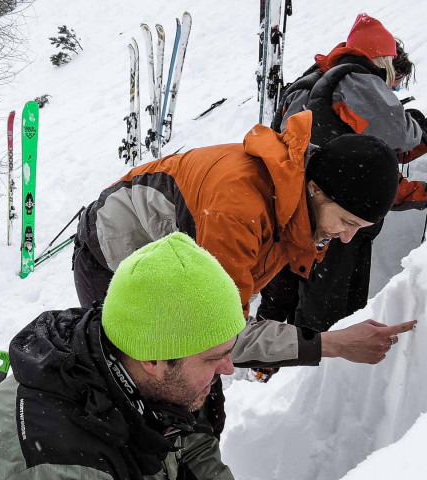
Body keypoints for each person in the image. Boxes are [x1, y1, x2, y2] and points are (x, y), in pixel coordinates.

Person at [73, 109, 416, 369]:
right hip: (110, 257)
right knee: (140, 377)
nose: (346, 238)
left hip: (172, 264)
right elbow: (219, 333)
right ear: (315, 190)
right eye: (346, 221)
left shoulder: (292, 197)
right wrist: (332, 343)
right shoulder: (239, 211)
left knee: (193, 386)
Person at [0, 233, 246, 480]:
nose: (229, 368)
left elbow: (186, 443)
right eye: (213, 358)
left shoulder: (134, 360)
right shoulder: (66, 465)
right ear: (153, 360)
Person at [260, 13, 427, 332]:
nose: (393, 90)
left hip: (292, 205)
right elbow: (395, 141)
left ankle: (267, 369)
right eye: (395, 80)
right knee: (332, 314)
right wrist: (420, 132)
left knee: (289, 299)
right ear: (386, 63)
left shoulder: (312, 81)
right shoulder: (359, 80)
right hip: (335, 219)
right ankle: (312, 373)